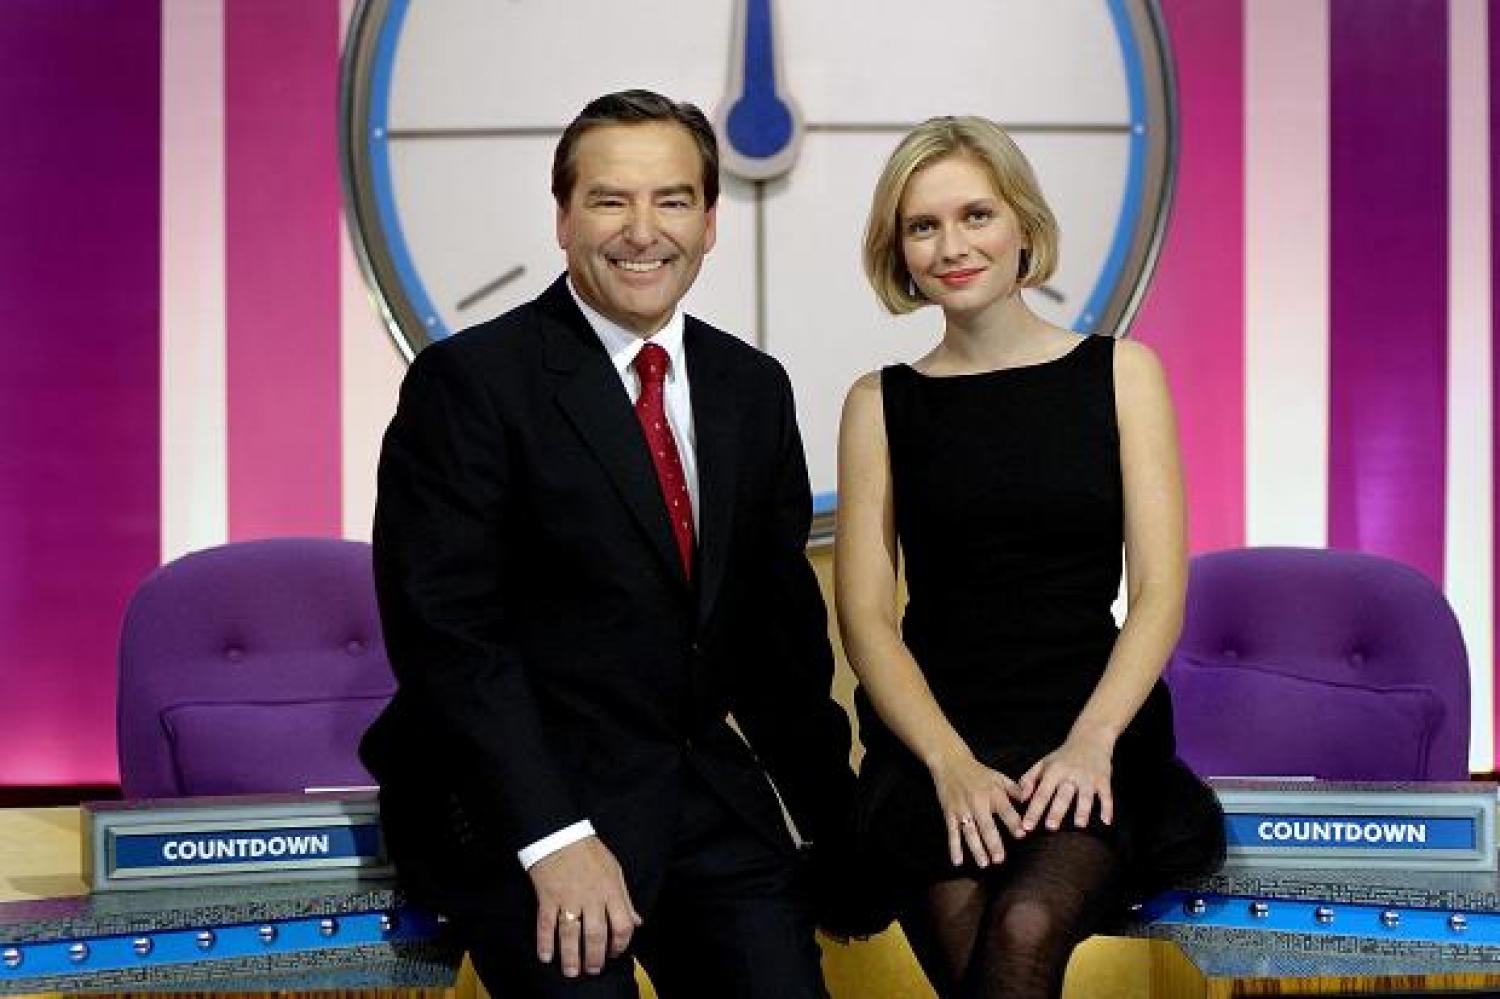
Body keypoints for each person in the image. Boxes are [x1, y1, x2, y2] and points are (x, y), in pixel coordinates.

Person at [362, 90, 860, 998]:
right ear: (563, 219)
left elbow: (778, 639)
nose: (643, 231)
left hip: (700, 791)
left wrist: (839, 830)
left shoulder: (751, 388)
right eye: (609, 200)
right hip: (523, 800)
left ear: (710, 221)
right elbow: (449, 638)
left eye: (672, 200)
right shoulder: (469, 383)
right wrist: (552, 838)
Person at [835, 116, 1224, 999]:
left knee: (1023, 926)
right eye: (923, 225)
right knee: (974, 937)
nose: (952, 245)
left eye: (976, 214)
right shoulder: (878, 403)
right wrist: (948, 763)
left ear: (1023, 224)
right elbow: (865, 619)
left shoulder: (1123, 372)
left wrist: (1092, 741)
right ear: (899, 250)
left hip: (1086, 721)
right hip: (934, 737)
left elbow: (1158, 593)